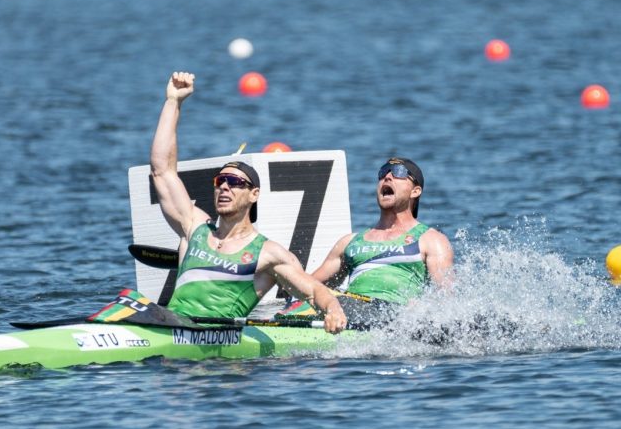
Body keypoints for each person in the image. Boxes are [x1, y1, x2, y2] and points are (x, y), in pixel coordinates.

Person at [149, 71, 348, 334]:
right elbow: (162, 171)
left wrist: (333, 310)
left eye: (234, 182)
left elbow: (312, 290)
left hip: (219, 351)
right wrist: (173, 102)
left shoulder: (269, 254)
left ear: (254, 194)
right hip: (171, 329)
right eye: (220, 180)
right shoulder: (193, 226)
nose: (224, 186)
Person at [285, 156, 453, 322]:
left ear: (415, 191)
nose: (387, 177)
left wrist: (423, 309)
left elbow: (447, 297)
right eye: (383, 173)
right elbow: (310, 287)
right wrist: (283, 273)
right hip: (351, 308)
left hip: (396, 315)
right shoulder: (349, 242)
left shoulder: (431, 240)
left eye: (399, 173)